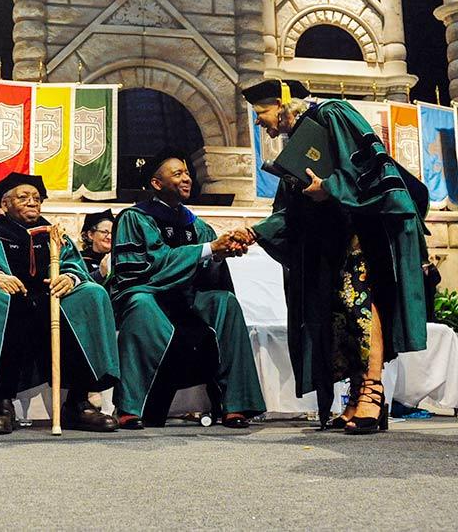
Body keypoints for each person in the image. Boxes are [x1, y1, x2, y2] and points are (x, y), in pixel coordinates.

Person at [240, 79, 429, 434]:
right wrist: (254, 232)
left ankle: (373, 391)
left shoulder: (333, 113)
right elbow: (290, 212)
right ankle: (357, 394)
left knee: (360, 302)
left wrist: (328, 188)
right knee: (339, 314)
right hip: (331, 242)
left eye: (261, 112)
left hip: (361, 234)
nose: (259, 122)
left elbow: (367, 165)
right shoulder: (296, 150)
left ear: (281, 103)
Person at [109, 148, 266, 429]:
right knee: (142, 305)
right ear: (157, 184)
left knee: (225, 302)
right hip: (148, 295)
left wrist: (220, 255)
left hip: (187, 299)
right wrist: (209, 249)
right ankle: (131, 407)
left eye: (187, 173)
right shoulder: (134, 219)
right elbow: (149, 269)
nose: (187, 179)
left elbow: (207, 273)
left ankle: (235, 404)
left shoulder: (198, 226)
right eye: (178, 173)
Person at [0, 172, 120, 434]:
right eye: (23, 197)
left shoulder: (54, 235)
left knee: (93, 294)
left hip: (53, 300)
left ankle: (78, 403)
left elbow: (73, 265)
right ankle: (0, 403)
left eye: (36, 198)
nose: (33, 202)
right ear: (5, 204)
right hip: (10, 301)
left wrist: (69, 277)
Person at [80, 209, 114, 284]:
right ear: (90, 235)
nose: (109, 237)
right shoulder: (80, 260)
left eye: (113, 233)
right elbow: (78, 286)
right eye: (105, 232)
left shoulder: (118, 257)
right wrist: (100, 273)